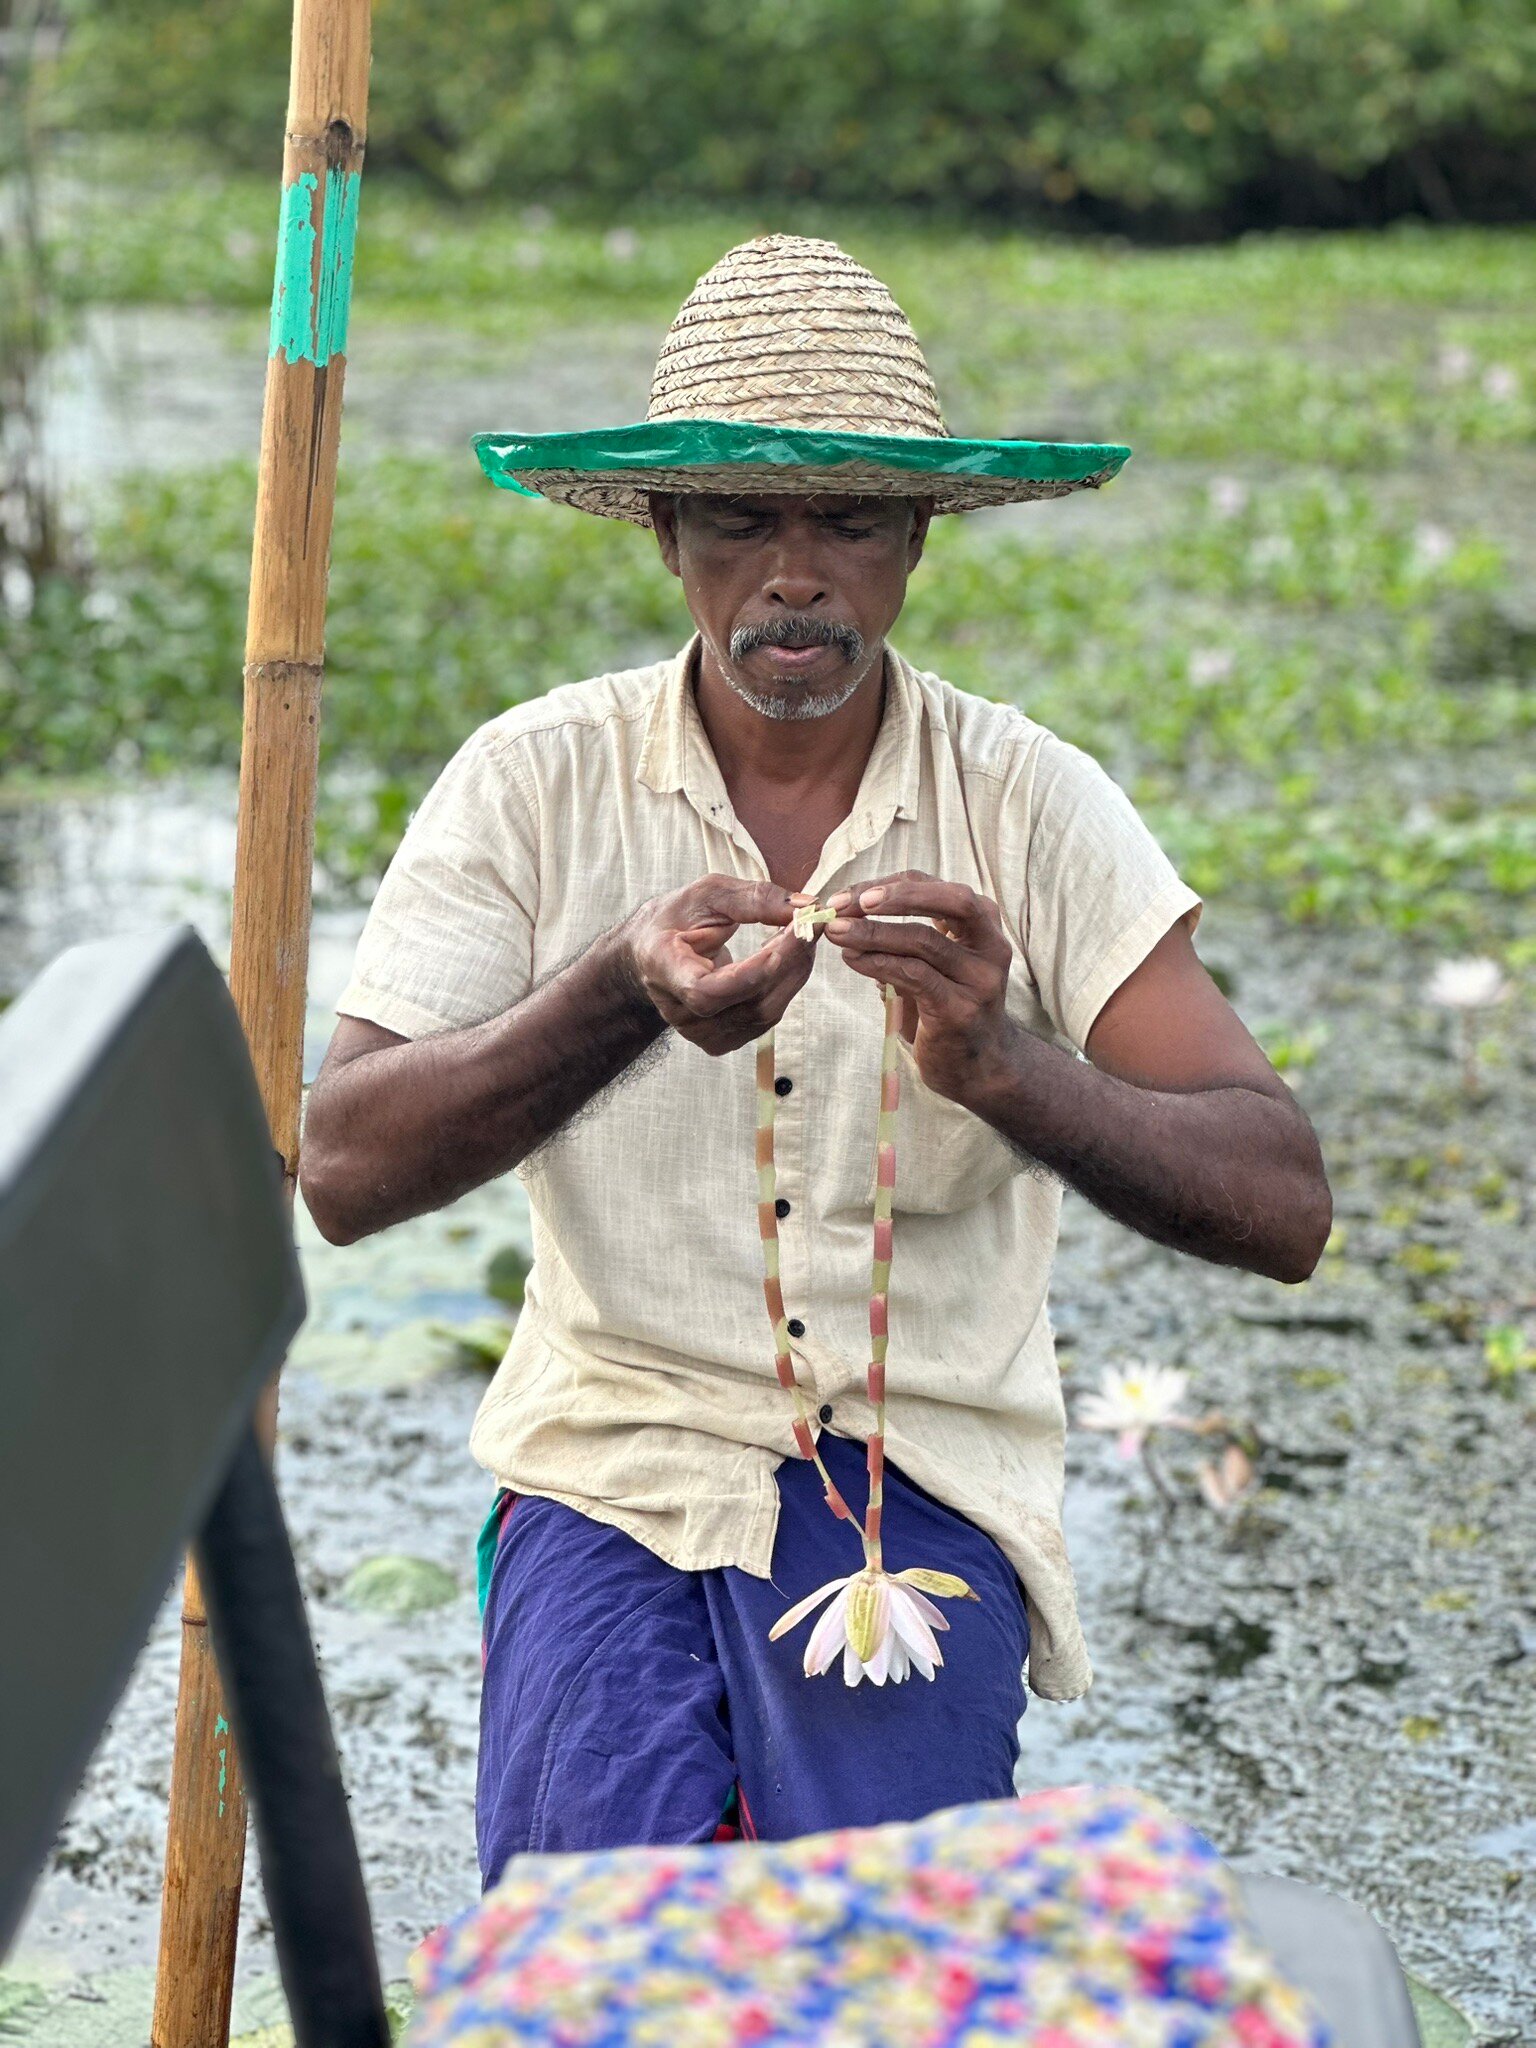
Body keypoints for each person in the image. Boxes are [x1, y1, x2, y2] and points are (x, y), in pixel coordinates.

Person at [300, 235, 1331, 1883]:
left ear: (917, 540)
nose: (795, 575)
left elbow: (1282, 1200)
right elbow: (344, 1170)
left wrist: (1003, 1067)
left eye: (848, 520)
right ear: (665, 539)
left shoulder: (1035, 803)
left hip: (915, 1466)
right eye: (739, 521)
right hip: (609, 1460)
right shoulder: (529, 782)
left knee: (879, 1946)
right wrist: (618, 999)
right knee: (599, 1928)